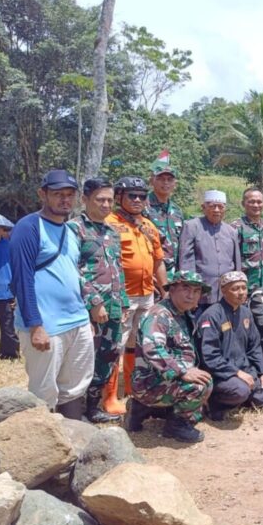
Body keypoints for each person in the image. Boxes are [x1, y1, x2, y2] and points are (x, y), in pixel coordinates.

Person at [9, 170, 93, 418]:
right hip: (46, 325)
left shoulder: (71, 230)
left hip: (77, 321)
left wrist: (85, 319)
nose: (65, 200)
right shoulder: (28, 227)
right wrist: (35, 325)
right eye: (58, 194)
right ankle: (42, 447)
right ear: (42, 194)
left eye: (69, 195)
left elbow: (73, 275)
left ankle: (72, 439)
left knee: (75, 386)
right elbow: (21, 279)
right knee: (43, 390)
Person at [125, 271, 213, 443]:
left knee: (200, 398)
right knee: (200, 386)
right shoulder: (159, 315)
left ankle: (142, 409)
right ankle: (176, 427)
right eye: (185, 289)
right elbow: (153, 349)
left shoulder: (183, 314)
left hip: (162, 380)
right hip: (150, 383)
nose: (191, 295)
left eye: (196, 291)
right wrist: (181, 372)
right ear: (171, 290)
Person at [68, 178, 127, 422]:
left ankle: (94, 408)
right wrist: (94, 303)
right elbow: (74, 270)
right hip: (88, 309)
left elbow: (117, 269)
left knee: (108, 357)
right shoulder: (75, 229)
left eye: (109, 200)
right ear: (85, 199)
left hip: (113, 308)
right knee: (84, 358)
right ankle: (76, 411)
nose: (105, 205)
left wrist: (122, 303)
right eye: (100, 200)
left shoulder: (112, 232)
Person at [107, 176, 167, 395]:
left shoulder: (149, 225)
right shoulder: (109, 223)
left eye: (142, 196)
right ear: (119, 197)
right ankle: (109, 394)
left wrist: (165, 289)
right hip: (121, 296)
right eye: (132, 195)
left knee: (139, 342)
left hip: (147, 294)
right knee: (116, 344)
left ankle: (133, 386)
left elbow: (158, 260)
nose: (137, 200)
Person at [197, 271, 263, 420]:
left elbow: (254, 347)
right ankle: (215, 403)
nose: (241, 292)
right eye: (235, 288)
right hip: (222, 375)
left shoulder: (246, 313)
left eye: (244, 287)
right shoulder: (212, 315)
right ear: (223, 290)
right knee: (240, 390)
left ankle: (242, 398)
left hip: (245, 371)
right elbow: (210, 356)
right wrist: (236, 373)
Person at [179, 189, 242, 311]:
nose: (217, 210)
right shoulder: (192, 226)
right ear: (203, 207)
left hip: (226, 292)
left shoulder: (231, 231)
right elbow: (186, 261)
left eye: (220, 207)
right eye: (212, 206)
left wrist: (237, 286)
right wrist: (190, 292)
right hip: (201, 293)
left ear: (225, 209)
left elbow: (237, 262)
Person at [144, 150, 184, 274]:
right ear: (152, 181)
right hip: (150, 272)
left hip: (173, 274)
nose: (165, 183)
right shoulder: (143, 206)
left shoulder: (177, 211)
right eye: (160, 179)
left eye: (169, 179)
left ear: (174, 184)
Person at [232, 187, 263, 293]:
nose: (256, 205)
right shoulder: (236, 227)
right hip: (243, 289)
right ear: (243, 203)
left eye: (259, 202)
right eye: (251, 202)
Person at [0, 213, 19, 360]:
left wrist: (16, 293)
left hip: (5, 293)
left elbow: (16, 269)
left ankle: (9, 354)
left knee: (7, 326)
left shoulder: (10, 246)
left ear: (2, 229)